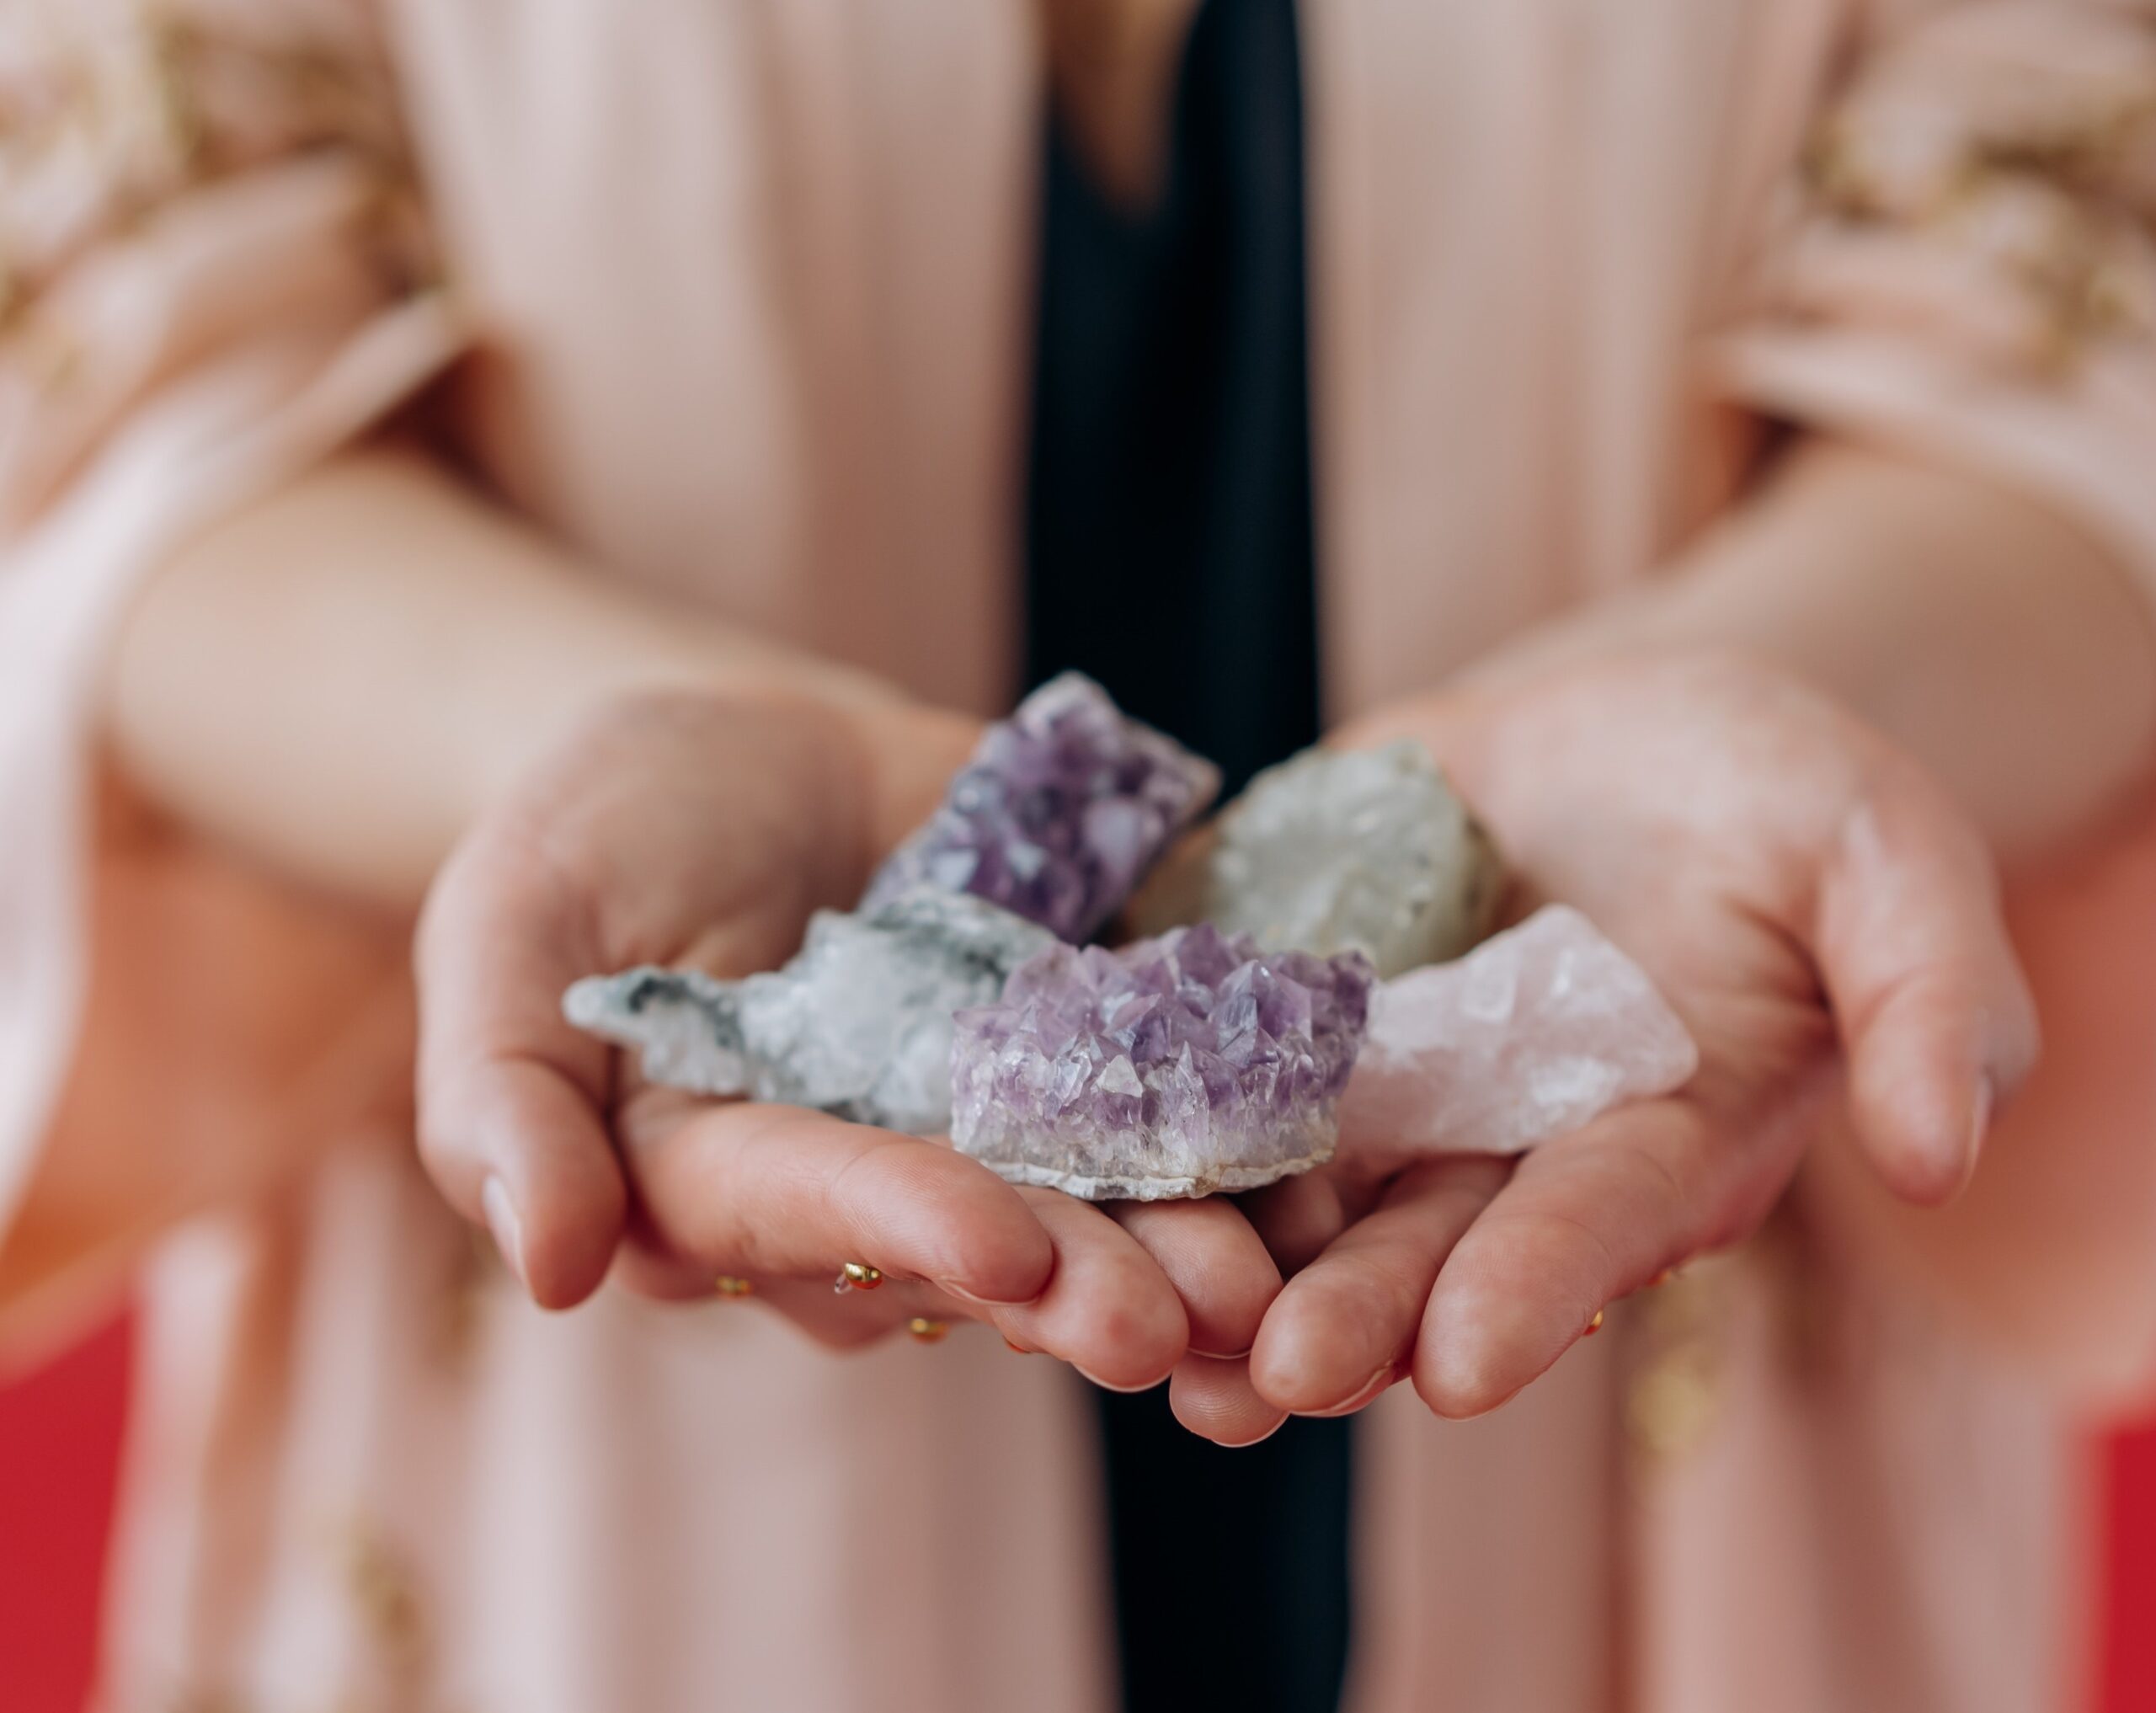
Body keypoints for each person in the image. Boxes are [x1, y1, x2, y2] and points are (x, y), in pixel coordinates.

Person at [3, 2, 2154, 1710]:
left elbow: (2084, 293)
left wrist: (1778, 709)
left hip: (1668, 1413)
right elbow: (116, 351)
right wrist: (549, 752)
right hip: (588, 1498)